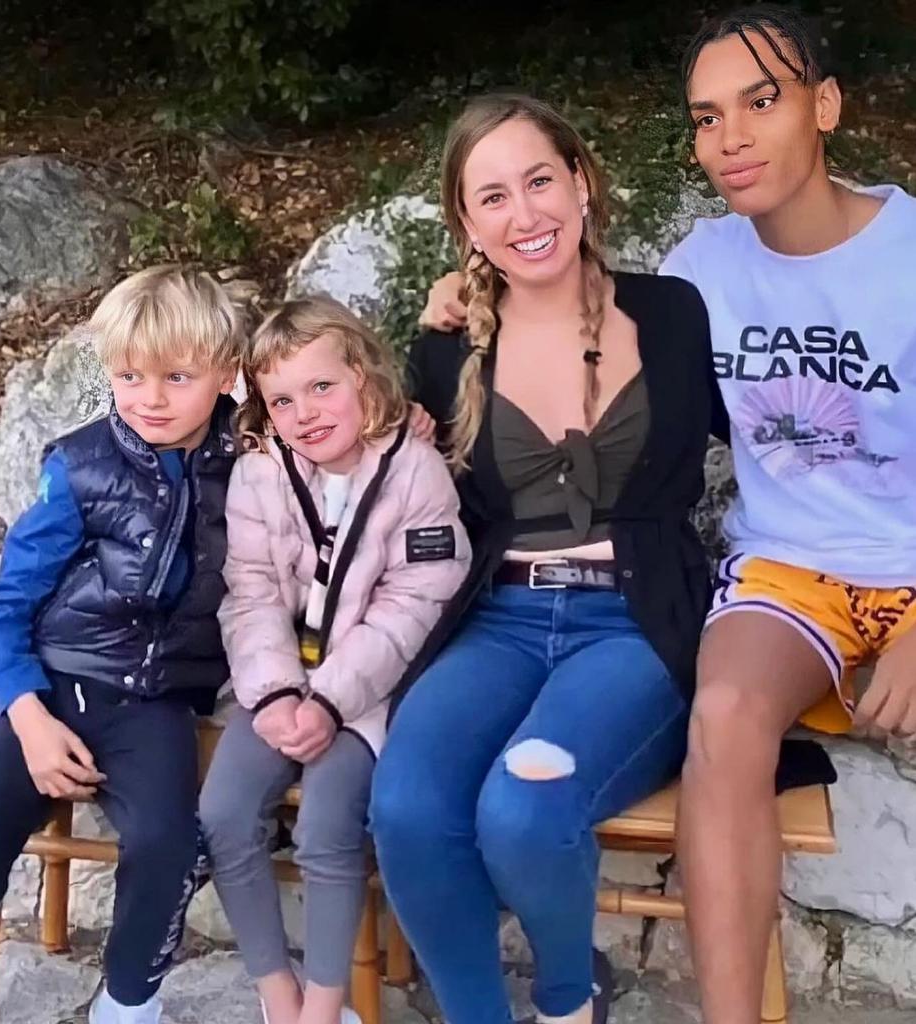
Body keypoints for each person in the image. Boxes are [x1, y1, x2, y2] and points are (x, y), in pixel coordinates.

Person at [418, 8, 916, 1022]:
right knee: (726, 714)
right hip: (790, 575)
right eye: (704, 116)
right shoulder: (698, 275)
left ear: (824, 106)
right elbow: (571, 304)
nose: (729, 136)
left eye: (760, 102)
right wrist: (469, 292)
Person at [369, 93, 726, 1024]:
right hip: (500, 619)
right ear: (464, 223)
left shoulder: (673, 313)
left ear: (581, 180)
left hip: (632, 621)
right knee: (405, 808)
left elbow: (789, 431)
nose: (524, 214)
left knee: (522, 812)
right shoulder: (447, 351)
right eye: (492, 197)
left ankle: (570, 997)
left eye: (539, 180)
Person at [0, 266, 244, 1024]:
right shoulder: (83, 465)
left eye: (175, 376)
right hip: (53, 683)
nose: (149, 397)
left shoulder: (254, 460)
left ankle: (129, 1004)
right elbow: (7, 604)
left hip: (152, 702)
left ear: (227, 375)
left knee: (168, 841)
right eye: (128, 375)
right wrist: (27, 715)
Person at [198, 296, 470, 1024]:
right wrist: (278, 693)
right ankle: (277, 997)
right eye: (282, 399)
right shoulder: (261, 475)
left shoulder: (414, 470)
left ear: (365, 378)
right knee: (223, 814)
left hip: (370, 695)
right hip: (276, 687)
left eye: (322, 387)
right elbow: (248, 591)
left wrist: (331, 702)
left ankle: (325, 1007)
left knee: (325, 826)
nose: (306, 412)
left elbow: (414, 604)